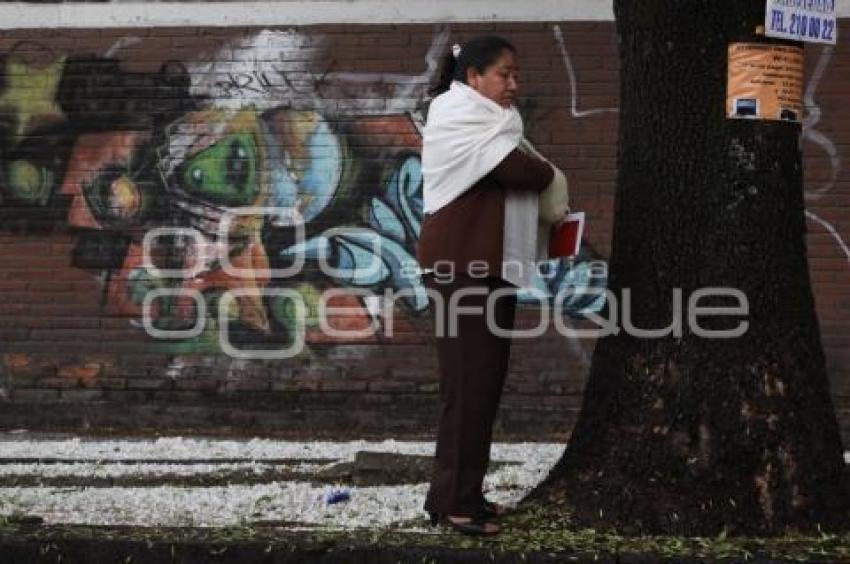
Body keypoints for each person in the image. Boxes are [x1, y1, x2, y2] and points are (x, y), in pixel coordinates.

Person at [416, 35, 568, 536]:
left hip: (485, 269)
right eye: (504, 74)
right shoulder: (455, 115)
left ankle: (460, 496)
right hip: (461, 270)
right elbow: (520, 170)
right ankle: (456, 505)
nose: (513, 85)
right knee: (468, 387)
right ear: (473, 77)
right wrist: (550, 173)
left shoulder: (491, 124)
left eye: (516, 75)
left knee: (480, 386)